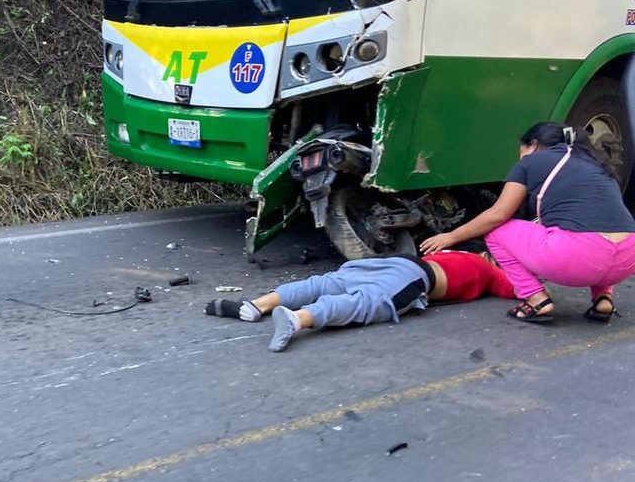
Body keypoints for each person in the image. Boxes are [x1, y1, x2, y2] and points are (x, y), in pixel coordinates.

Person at [420, 122, 635, 323]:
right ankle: (603, 300)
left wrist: (450, 236)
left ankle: (535, 299)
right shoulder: (597, 165)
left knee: (497, 232)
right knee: (601, 229)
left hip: (578, 258)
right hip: (626, 259)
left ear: (532, 145)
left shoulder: (531, 162)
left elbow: (497, 215)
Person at [205, 251, 515, 351]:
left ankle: (258, 304)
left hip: (386, 261)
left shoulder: (460, 253)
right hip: (413, 277)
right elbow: (520, 290)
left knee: (327, 282)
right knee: (367, 303)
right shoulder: (490, 271)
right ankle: (298, 319)